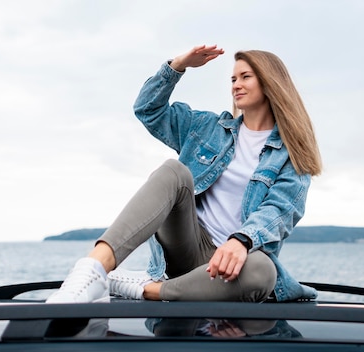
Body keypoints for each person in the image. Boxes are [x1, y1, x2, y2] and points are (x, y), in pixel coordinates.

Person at [46, 44, 322, 304]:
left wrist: (242, 240)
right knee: (173, 170)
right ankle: (91, 271)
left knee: (263, 269)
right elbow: (148, 110)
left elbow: (280, 209)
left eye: (245, 77)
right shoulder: (207, 128)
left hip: (234, 265)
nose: (236, 84)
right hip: (188, 246)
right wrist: (177, 67)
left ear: (269, 82)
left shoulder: (290, 153)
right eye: (233, 79)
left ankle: (148, 290)